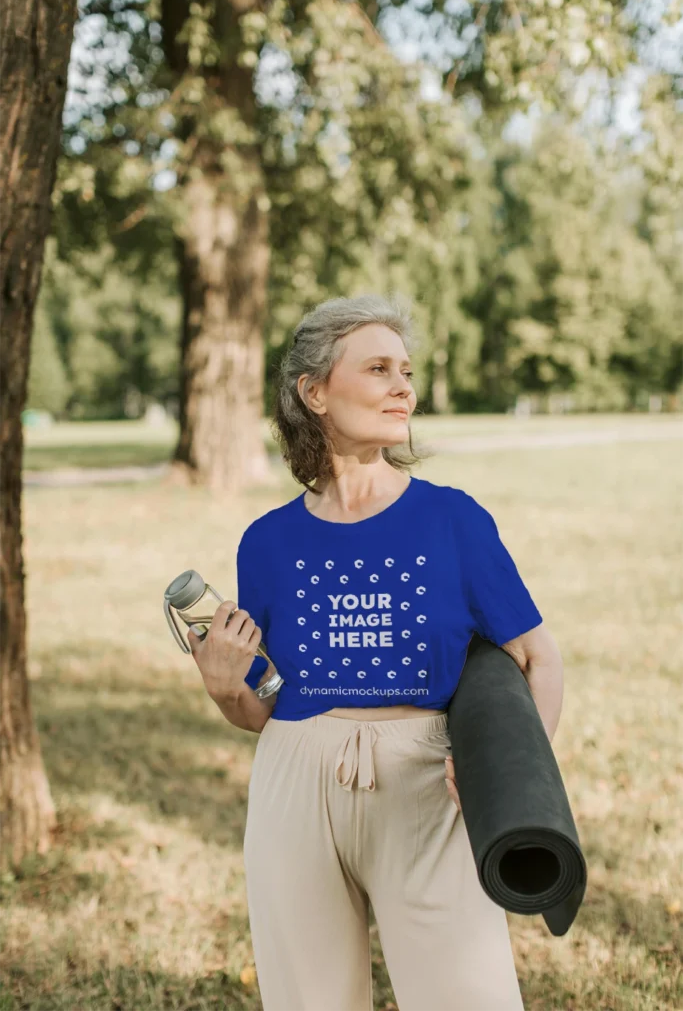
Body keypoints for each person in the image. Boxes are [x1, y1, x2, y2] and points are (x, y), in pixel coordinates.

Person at [189, 294, 559, 1011]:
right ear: (315, 391)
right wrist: (224, 686)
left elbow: (537, 656)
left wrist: (512, 784)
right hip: (293, 778)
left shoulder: (452, 518)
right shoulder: (265, 542)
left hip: (427, 779)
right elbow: (261, 711)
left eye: (406, 371)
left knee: (467, 996)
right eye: (379, 368)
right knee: (308, 999)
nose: (403, 388)